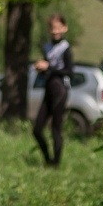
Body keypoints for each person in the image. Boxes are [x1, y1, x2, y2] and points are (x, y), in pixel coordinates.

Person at [33, 14, 73, 166]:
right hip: (48, 90)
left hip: (60, 90)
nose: (55, 31)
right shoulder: (48, 47)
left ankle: (55, 164)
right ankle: (47, 160)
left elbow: (69, 72)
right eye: (52, 28)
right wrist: (40, 68)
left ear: (64, 28)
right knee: (37, 130)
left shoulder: (66, 48)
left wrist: (49, 67)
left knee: (55, 129)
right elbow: (47, 70)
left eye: (58, 28)